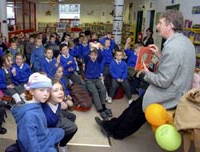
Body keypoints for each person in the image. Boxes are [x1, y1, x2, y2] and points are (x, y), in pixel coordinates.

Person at [95, 10, 196, 139]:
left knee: (136, 110)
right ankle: (112, 125)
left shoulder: (172, 48)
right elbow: (176, 66)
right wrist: (159, 55)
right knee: (134, 107)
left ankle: (116, 132)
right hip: (178, 90)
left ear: (170, 26)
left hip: (169, 94)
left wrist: (145, 73)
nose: (157, 26)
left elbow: (163, 81)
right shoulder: (185, 42)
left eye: (160, 23)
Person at [11, 72, 64, 152]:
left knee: (61, 132)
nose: (46, 94)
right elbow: (29, 143)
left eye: (48, 91)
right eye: (41, 90)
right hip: (36, 144)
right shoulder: (29, 116)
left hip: (42, 134)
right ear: (32, 91)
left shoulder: (37, 103)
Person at [42, 79, 77, 152]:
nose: (61, 92)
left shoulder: (55, 101)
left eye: (61, 89)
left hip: (56, 115)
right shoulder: (45, 114)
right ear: (48, 94)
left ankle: (62, 141)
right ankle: (60, 145)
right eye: (56, 90)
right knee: (73, 128)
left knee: (72, 116)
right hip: (51, 124)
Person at [84, 48, 112, 120]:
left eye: (95, 55)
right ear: (89, 55)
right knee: (95, 92)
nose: (93, 57)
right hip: (89, 80)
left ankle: (103, 105)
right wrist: (90, 48)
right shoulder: (88, 60)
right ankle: (100, 109)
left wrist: (97, 48)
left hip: (97, 79)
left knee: (103, 89)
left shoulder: (98, 60)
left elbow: (101, 55)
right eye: (92, 55)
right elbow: (84, 55)